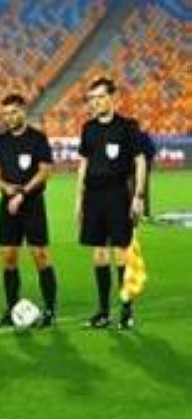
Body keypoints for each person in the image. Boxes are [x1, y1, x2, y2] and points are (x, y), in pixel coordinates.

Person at [75, 77, 147, 329]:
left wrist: (138, 196)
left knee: (120, 253)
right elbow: (83, 163)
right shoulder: (88, 128)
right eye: (91, 99)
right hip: (93, 196)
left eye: (99, 97)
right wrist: (79, 199)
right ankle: (103, 312)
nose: (94, 103)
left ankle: (126, 310)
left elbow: (140, 161)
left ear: (112, 98)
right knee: (99, 255)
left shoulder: (128, 126)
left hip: (117, 194)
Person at [0, 94, 57, 327]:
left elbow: (45, 171)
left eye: (14, 112)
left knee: (40, 256)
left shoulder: (38, 139)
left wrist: (23, 193)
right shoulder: (1, 142)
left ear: (23, 112)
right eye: (5, 114)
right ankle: (11, 310)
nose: (9, 117)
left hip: (32, 204)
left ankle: (50, 311)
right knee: (8, 257)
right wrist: (6, 187)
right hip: (8, 205)